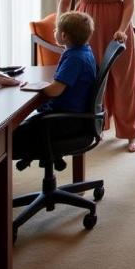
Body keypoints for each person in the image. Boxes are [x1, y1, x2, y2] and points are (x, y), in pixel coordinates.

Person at [58, 0, 135, 152]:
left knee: (123, 80)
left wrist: (121, 30)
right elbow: (64, 2)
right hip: (87, 30)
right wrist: (61, 30)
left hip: (118, 29)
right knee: (94, 79)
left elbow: (130, 4)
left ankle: (130, 133)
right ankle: (98, 126)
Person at [14, 11, 98, 159]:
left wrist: (35, 86)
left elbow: (54, 91)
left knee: (8, 140)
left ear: (64, 36)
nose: (54, 32)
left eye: (56, 30)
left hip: (67, 122)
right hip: (78, 117)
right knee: (24, 127)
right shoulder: (85, 51)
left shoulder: (74, 59)